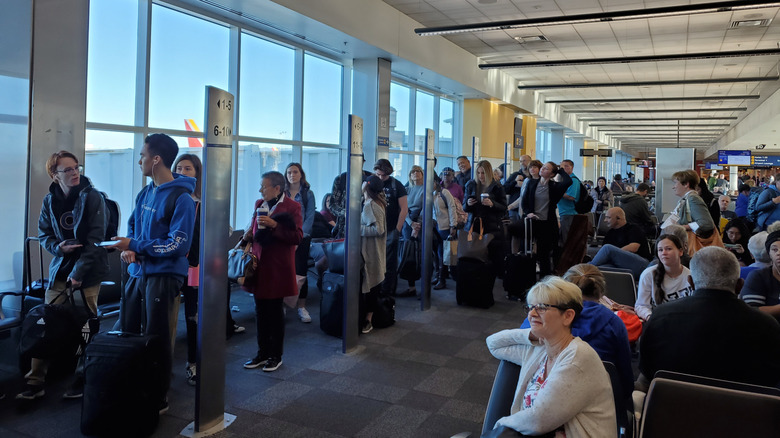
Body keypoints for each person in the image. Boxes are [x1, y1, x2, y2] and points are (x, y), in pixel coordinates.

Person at [111, 134, 196, 413]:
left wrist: (135, 245)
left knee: (157, 336)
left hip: (163, 276)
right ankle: (133, 383)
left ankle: (158, 393)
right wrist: (130, 249)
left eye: (142, 155)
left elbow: (178, 243)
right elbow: (134, 224)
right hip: (138, 273)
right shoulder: (146, 192)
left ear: (156, 159)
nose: (139, 161)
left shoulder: (182, 198)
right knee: (128, 329)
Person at [17, 151, 109, 400]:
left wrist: (78, 273)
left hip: (88, 273)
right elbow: (44, 234)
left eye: (76, 167)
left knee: (86, 326)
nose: (74, 172)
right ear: (54, 175)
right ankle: (35, 381)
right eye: (67, 169)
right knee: (45, 322)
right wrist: (58, 248)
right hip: (60, 270)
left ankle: (81, 376)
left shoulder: (93, 198)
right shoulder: (50, 201)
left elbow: (95, 241)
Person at [486, 276, 616, 437]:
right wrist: (531, 334)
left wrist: (498, 428)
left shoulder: (578, 357)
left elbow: (538, 420)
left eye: (541, 307)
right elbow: (493, 344)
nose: (532, 313)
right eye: (530, 307)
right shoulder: (539, 351)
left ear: (568, 316)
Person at [636, 246, 780, 392]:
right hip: (743, 412)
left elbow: (648, 372)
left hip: (672, 409)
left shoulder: (660, 318)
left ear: (691, 283)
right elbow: (771, 382)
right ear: (739, 286)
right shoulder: (767, 325)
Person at [520, 264, 633, 400]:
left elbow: (520, 346)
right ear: (600, 291)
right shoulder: (614, 324)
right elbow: (624, 374)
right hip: (598, 398)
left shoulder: (540, 318)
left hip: (539, 393)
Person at [242, 171, 303, 372]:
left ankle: (275, 355)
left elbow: (297, 237)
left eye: (264, 186)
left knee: (275, 312)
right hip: (259, 265)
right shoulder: (260, 204)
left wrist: (275, 225)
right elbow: (253, 230)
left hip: (278, 266)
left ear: (277, 188)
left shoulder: (293, 207)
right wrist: (248, 237)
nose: (260, 190)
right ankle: (262, 353)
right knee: (259, 311)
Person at [172, 154, 203, 386]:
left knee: (192, 316)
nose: (183, 172)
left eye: (188, 168)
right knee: (165, 317)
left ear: (197, 173)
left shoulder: (204, 201)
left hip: (195, 267)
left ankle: (193, 362)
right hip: (171, 266)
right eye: (179, 167)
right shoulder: (169, 196)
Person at [519, 161, 572, 276]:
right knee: (528, 251)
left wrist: (560, 170)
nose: (542, 169)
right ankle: (528, 278)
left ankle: (545, 279)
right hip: (533, 221)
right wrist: (528, 213)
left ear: (552, 174)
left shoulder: (555, 187)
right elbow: (524, 202)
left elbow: (568, 181)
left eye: (547, 169)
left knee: (544, 254)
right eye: (543, 167)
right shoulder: (532, 183)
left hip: (547, 224)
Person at [635, 235, 693, 321]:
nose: (664, 253)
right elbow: (641, 306)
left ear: (680, 252)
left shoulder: (690, 275)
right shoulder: (648, 275)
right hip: (658, 322)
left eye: (668, 249)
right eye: (660, 250)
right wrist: (651, 318)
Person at [463, 160, 507, 273]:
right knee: (474, 257)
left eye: (483, 173)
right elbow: (464, 207)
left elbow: (503, 207)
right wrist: (468, 204)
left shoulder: (497, 186)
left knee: (491, 257)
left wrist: (492, 204)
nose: (480, 176)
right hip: (474, 224)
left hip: (491, 226)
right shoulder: (471, 184)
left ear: (488, 173)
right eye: (478, 173)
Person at [285, 163, 315, 323]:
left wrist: (299, 237)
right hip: (284, 238)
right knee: (283, 271)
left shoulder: (307, 194)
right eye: (289, 172)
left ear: (301, 174)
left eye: (295, 172)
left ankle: (301, 306)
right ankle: (283, 304)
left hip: (302, 238)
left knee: (301, 272)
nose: (292, 175)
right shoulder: (282, 192)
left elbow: (310, 217)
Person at [374, 159, 408, 296]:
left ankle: (387, 291)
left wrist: (398, 230)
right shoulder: (371, 182)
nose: (381, 178)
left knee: (389, 263)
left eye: (384, 175)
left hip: (391, 228)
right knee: (375, 261)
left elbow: (404, 209)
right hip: (375, 229)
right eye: (379, 175)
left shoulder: (396, 185)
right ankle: (376, 290)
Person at [665, 169, 719, 255]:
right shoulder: (685, 199)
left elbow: (706, 224)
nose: (673, 186)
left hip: (692, 247)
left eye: (675, 183)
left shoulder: (693, 199)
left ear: (686, 184)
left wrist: (683, 227)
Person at [588, 207, 651, 280]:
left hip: (641, 265)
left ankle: (585, 268)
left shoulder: (633, 228)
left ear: (618, 218)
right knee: (598, 270)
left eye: (608, 218)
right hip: (621, 265)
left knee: (607, 248)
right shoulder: (610, 233)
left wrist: (614, 254)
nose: (605, 220)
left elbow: (633, 248)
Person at [360, 175, 387, 334]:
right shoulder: (376, 202)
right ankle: (368, 318)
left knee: (371, 284)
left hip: (371, 251)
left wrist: (357, 228)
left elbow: (378, 230)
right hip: (374, 250)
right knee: (373, 285)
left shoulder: (371, 205)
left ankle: (367, 320)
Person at [739, 229, 780, 320]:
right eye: (774, 249)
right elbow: (751, 311)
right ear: (769, 253)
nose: (778, 253)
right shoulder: (758, 277)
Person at [400, 165, 425, 297]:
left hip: (421, 224)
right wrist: (410, 223)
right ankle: (411, 287)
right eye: (412, 172)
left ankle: (424, 289)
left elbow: (426, 208)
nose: (415, 173)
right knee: (409, 255)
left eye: (417, 171)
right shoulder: (406, 189)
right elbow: (403, 209)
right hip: (408, 223)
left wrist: (418, 224)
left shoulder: (426, 189)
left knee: (422, 255)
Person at [432, 179, 459, 290]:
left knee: (444, 253)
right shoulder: (427, 193)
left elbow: (452, 208)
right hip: (433, 226)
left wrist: (453, 225)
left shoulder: (444, 192)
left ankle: (442, 279)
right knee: (436, 252)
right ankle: (438, 276)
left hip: (445, 226)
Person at [557, 159, 582, 247]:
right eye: (562, 166)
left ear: (572, 167)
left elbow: (571, 196)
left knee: (567, 239)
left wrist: (557, 191)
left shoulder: (573, 180)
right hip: (564, 212)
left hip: (569, 213)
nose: (563, 168)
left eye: (566, 166)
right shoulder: (564, 179)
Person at [503, 155, 531, 223]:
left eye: (524, 161)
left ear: (530, 162)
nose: (522, 163)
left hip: (528, 209)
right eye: (520, 161)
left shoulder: (533, 176)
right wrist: (515, 182)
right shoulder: (515, 175)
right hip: (514, 209)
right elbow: (505, 189)